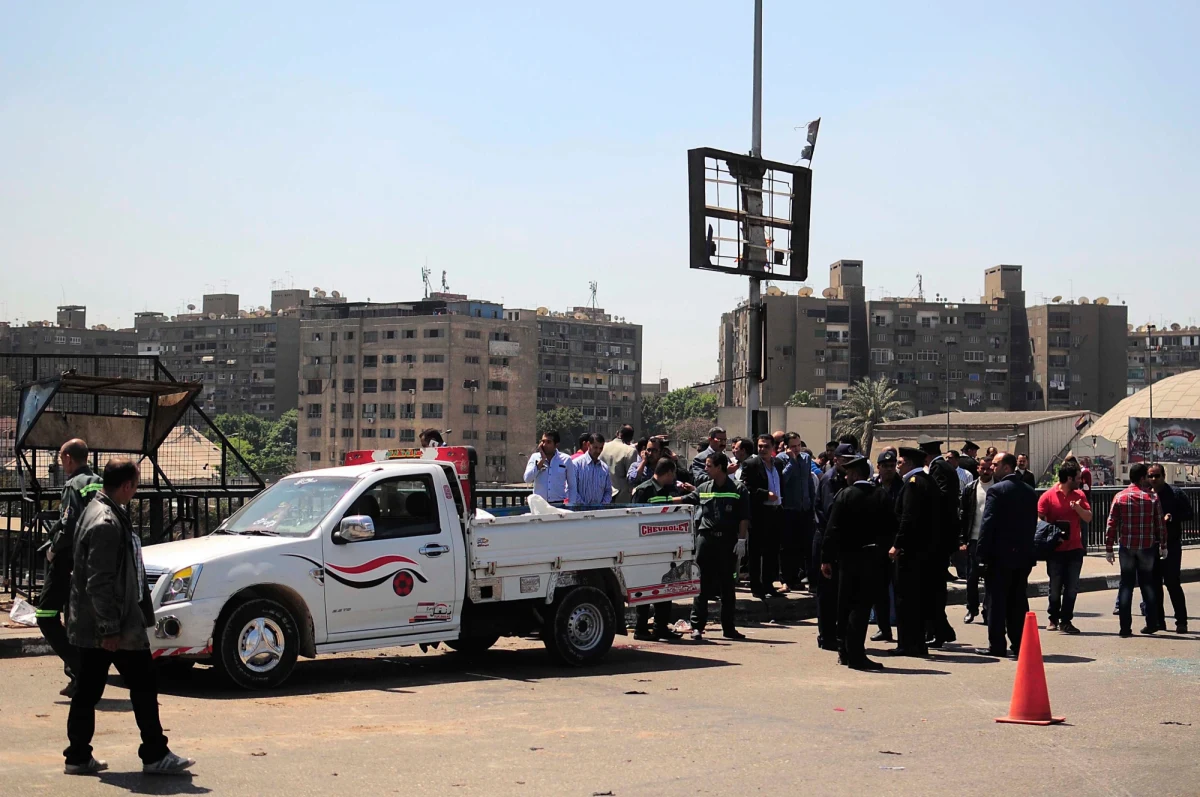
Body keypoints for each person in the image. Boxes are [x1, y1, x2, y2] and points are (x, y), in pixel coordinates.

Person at [64, 459, 194, 776]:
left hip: (98, 622)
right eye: (135, 485)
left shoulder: (98, 510)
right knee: (143, 686)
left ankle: (78, 755)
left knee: (88, 690)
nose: (136, 491)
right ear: (126, 486)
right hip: (114, 625)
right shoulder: (106, 522)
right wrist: (110, 629)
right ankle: (154, 753)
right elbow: (100, 582)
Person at [37, 439, 102, 698]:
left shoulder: (73, 484)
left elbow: (69, 523)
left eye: (60, 458)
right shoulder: (99, 482)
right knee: (76, 621)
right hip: (93, 561)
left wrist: (53, 550)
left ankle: (81, 671)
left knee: (45, 615)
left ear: (67, 458)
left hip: (68, 559)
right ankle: (78, 679)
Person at [821, 452, 896, 670]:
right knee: (861, 606)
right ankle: (855, 654)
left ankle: (845, 651)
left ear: (855, 474)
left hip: (847, 559)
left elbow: (832, 529)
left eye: (848, 473)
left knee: (845, 604)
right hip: (872, 560)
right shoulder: (881, 495)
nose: (846, 477)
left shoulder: (845, 495)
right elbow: (891, 528)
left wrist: (826, 559)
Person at [667, 452, 750, 641]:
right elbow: (688, 499)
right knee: (701, 584)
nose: (706, 469)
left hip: (727, 542)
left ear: (719, 467)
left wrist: (741, 540)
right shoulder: (704, 487)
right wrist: (665, 500)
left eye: (709, 465)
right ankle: (697, 627)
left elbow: (744, 517)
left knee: (727, 586)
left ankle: (729, 628)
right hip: (706, 540)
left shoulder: (738, 489)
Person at [975, 452, 1038, 657]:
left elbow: (988, 525)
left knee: (996, 601)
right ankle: (1020, 644)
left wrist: (981, 555)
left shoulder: (997, 490)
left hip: (999, 557)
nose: (992, 468)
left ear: (1007, 467)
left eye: (996, 464)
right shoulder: (1029, 491)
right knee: (1018, 601)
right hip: (1022, 556)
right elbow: (1032, 524)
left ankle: (997, 645)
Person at [1105, 463, 1167, 637]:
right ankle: (1152, 622)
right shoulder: (1152, 498)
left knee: (1126, 585)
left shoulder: (1120, 497)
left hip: (1127, 547)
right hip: (1147, 547)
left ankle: (1125, 627)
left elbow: (1111, 524)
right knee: (1147, 584)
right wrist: (1163, 545)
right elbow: (1160, 525)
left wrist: (1109, 548)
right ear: (1141, 478)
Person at [630, 458, 688, 640]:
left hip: (665, 546)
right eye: (673, 473)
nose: (674, 477)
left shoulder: (670, 490)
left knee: (665, 587)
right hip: (646, 548)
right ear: (668, 472)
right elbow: (634, 519)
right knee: (646, 588)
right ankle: (640, 629)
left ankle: (660, 627)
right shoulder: (643, 490)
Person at [890, 446, 938, 657]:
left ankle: (907, 643)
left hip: (910, 551)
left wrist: (897, 544)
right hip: (925, 550)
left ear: (909, 463)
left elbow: (907, 518)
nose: (897, 467)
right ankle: (918, 642)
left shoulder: (912, 484)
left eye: (900, 463)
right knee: (919, 598)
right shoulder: (928, 481)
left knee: (906, 598)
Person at [1037, 463, 1091, 634]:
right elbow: (1038, 519)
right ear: (1069, 478)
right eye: (1078, 478)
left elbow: (1088, 517)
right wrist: (1051, 533)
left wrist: (1078, 508)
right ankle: (1053, 618)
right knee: (1054, 586)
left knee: (1072, 587)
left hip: (1075, 548)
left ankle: (1066, 621)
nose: (1080, 481)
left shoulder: (1079, 495)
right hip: (1055, 550)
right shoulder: (1048, 496)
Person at [813, 443, 853, 650]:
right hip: (827, 539)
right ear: (835, 459)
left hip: (841, 541)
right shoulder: (830, 480)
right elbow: (831, 512)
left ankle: (838, 634)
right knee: (827, 592)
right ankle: (827, 636)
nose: (848, 464)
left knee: (840, 591)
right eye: (845, 460)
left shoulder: (848, 479)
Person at [919, 436, 959, 646]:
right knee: (934, 586)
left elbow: (942, 497)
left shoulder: (939, 469)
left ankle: (939, 630)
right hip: (943, 536)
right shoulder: (944, 467)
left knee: (933, 587)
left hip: (939, 538)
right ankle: (939, 629)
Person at [738, 435, 784, 601]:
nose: (762, 449)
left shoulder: (778, 463)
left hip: (775, 511)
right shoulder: (751, 464)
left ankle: (769, 584)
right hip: (759, 513)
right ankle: (756, 587)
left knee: (772, 551)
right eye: (760, 446)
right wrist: (765, 494)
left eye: (766, 446)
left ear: (773, 448)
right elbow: (746, 488)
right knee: (756, 552)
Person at [1147, 464, 1191, 633]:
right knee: (1155, 584)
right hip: (1152, 545)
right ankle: (1159, 621)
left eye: (1157, 476)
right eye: (1150, 476)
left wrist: (1172, 517)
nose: (1153, 479)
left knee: (1172, 582)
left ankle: (1181, 621)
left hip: (1171, 544)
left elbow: (1189, 514)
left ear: (1163, 476)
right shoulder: (1146, 494)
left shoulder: (1175, 493)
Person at [868, 448, 901, 643]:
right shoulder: (872, 486)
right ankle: (884, 628)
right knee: (879, 590)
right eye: (885, 466)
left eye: (892, 465)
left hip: (896, 545)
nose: (889, 469)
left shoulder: (902, 487)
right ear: (878, 467)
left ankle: (905, 631)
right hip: (877, 546)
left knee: (899, 590)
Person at [776, 432, 816, 593]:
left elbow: (808, 482)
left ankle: (804, 579)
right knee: (788, 547)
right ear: (786, 446)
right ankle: (787, 580)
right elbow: (782, 480)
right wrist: (792, 461)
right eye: (793, 446)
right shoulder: (780, 459)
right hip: (788, 509)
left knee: (806, 546)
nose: (797, 449)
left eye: (798, 445)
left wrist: (812, 502)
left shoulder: (806, 458)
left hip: (804, 508)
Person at [958, 455, 995, 624]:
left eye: (989, 468)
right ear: (978, 469)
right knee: (972, 578)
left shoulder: (998, 487)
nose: (986, 471)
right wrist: (962, 541)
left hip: (992, 541)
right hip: (973, 540)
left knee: (990, 578)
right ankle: (971, 608)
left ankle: (988, 610)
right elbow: (963, 516)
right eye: (983, 468)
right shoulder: (970, 488)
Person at [523, 431, 572, 503]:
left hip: (558, 503)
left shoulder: (566, 459)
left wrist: (571, 503)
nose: (544, 445)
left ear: (556, 445)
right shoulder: (535, 457)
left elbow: (572, 485)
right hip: (539, 504)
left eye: (548, 442)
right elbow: (527, 479)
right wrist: (541, 461)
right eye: (543, 441)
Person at [600, 424, 639, 503]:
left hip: (602, 493)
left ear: (617, 433)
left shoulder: (603, 446)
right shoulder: (630, 451)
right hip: (621, 496)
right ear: (631, 438)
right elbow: (631, 477)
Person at [570, 433, 612, 505]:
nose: (598, 451)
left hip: (599, 510)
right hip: (579, 509)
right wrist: (583, 507)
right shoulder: (576, 465)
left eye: (601, 448)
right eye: (595, 447)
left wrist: (603, 505)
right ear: (588, 444)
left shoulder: (604, 468)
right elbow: (571, 490)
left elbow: (608, 491)